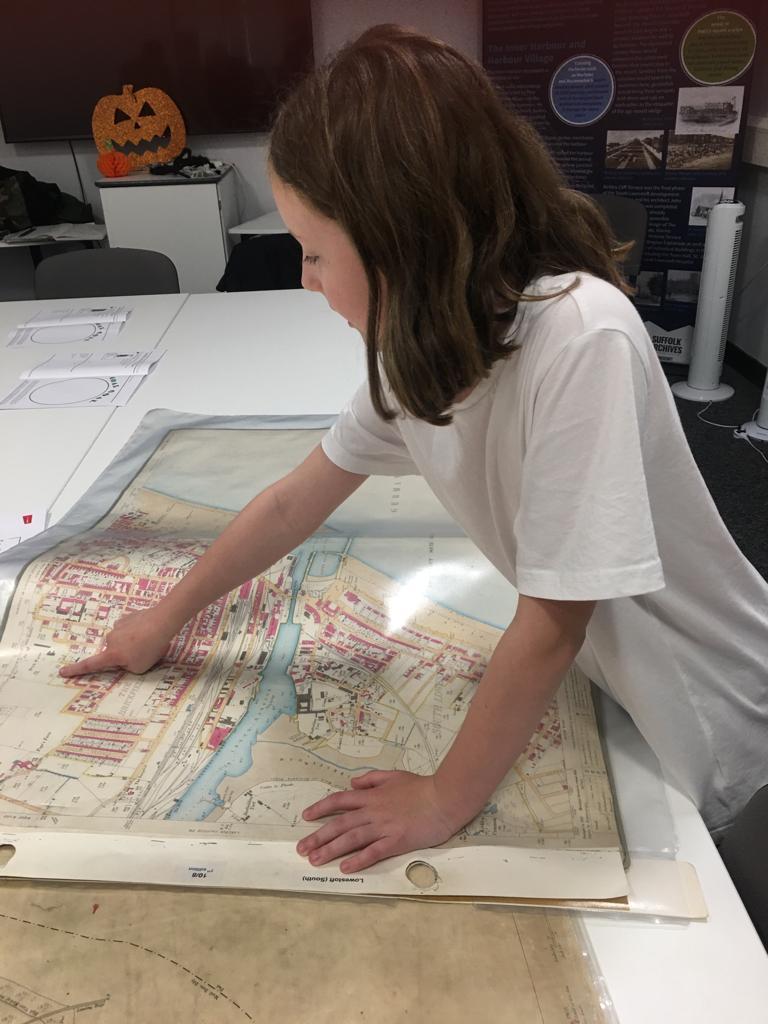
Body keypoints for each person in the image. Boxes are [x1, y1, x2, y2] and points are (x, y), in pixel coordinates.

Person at [61, 24, 768, 876]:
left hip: (719, 725)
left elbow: (553, 619)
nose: (306, 279)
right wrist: (164, 619)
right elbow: (297, 498)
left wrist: (442, 798)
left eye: (317, 252)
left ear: (404, 235)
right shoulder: (431, 347)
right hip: (622, 690)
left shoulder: (582, 335)